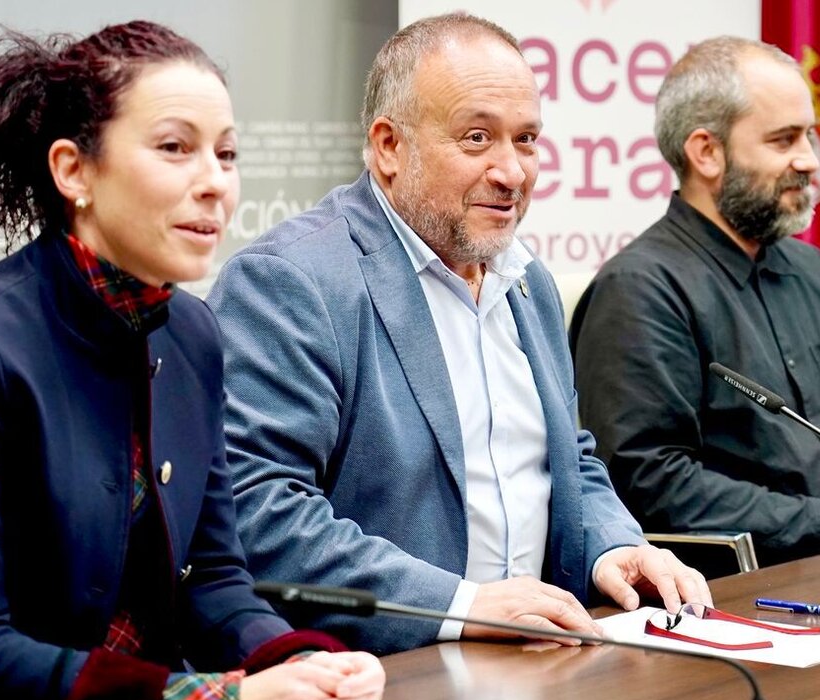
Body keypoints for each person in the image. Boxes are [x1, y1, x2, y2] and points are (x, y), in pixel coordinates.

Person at [0, 21, 383, 700]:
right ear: (74, 171)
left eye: (228, 153)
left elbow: (212, 580)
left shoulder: (193, 334)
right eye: (175, 148)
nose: (215, 183)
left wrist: (299, 663)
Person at [207, 12, 711, 656]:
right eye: (477, 139)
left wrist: (615, 545)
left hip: (544, 662)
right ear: (389, 147)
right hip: (378, 670)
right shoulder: (293, 282)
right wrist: (460, 606)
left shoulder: (527, 281)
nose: (513, 172)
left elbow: (568, 456)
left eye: (526, 140)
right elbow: (258, 508)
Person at [568, 36, 820, 565]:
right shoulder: (640, 290)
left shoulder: (816, 272)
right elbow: (646, 484)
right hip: (746, 594)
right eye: (783, 141)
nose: (809, 162)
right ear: (706, 152)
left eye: (809, 137)